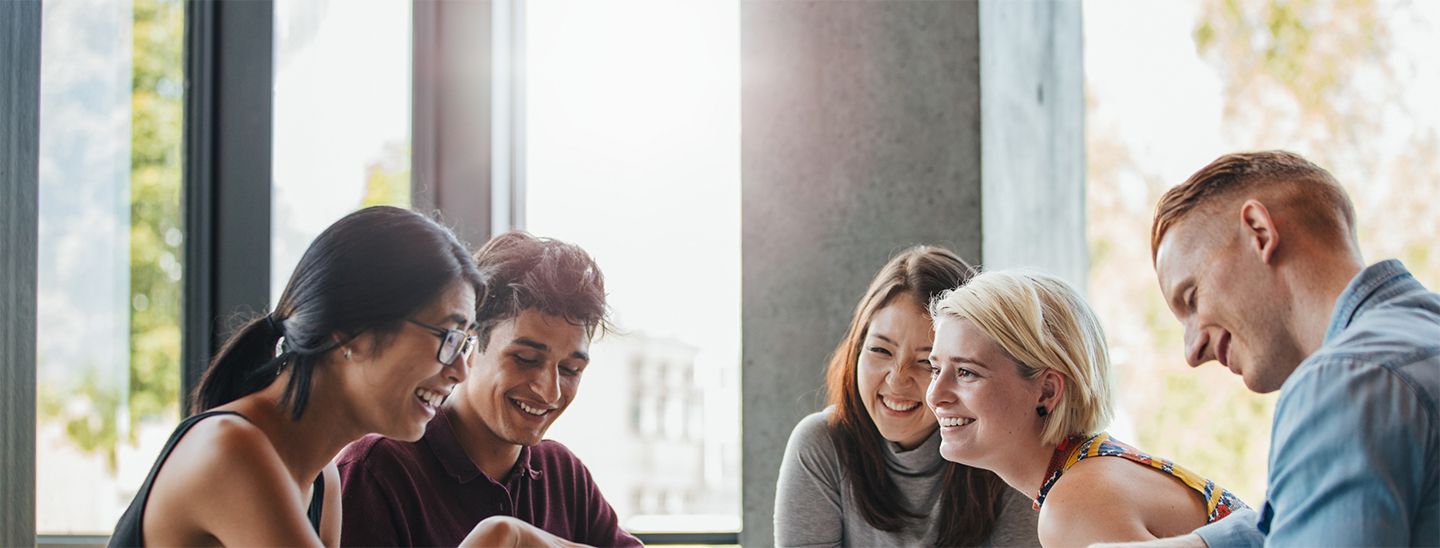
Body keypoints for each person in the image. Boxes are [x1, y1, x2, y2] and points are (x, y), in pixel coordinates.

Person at [107, 206, 486, 546]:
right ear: (349, 330)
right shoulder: (231, 450)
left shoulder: (324, 482)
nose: (460, 371)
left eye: (466, 343)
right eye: (448, 337)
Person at [1147, 150, 1439, 546]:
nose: (1192, 351)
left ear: (1259, 232)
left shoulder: (1344, 382)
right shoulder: (1414, 346)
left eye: (1193, 298)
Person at [338, 231, 640, 547]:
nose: (549, 392)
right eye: (525, 359)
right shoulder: (377, 471)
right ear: (468, 343)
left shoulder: (563, 475)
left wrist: (520, 537)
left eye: (570, 370)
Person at [926, 270, 1248, 547]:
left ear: (1048, 390)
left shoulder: (1075, 506)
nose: (934, 395)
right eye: (935, 369)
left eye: (966, 372)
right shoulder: (1089, 471)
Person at [774, 246, 1039, 547]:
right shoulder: (821, 444)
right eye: (880, 350)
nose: (897, 379)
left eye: (927, 362)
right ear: (857, 349)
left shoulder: (1006, 450)